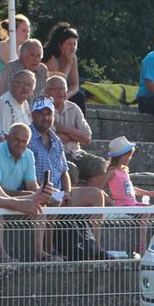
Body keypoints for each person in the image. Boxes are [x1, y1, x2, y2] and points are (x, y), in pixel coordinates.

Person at [28, 97, 106, 255]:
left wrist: (67, 192)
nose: (46, 117)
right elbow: (28, 176)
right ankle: (49, 250)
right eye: (41, 113)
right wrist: (51, 192)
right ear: (33, 115)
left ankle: (96, 248)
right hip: (39, 191)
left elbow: (64, 172)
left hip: (60, 192)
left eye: (49, 114)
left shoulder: (56, 140)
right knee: (53, 199)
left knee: (96, 195)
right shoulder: (27, 138)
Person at [0, 123, 55, 262]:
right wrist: (23, 200)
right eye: (17, 140)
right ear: (7, 138)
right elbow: (1, 192)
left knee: (41, 208)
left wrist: (43, 193)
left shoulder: (28, 155)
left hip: (7, 199)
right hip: (3, 201)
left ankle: (39, 253)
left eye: (24, 141)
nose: (20, 144)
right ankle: (2, 256)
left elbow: (32, 185)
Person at [102, 136, 154, 254]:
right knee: (145, 213)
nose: (129, 158)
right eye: (128, 156)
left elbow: (132, 189)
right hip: (123, 206)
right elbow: (99, 188)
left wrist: (149, 193)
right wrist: (109, 200)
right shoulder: (111, 172)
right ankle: (142, 245)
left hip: (133, 204)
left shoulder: (124, 171)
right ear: (121, 156)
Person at [44, 75, 106, 187]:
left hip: (76, 153)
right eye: (56, 89)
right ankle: (73, 197)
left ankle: (88, 195)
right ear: (47, 91)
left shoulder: (73, 108)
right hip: (55, 156)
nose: (61, 93)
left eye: (63, 89)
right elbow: (52, 141)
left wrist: (64, 129)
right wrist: (75, 134)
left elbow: (87, 138)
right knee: (71, 170)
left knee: (100, 165)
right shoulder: (43, 110)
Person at [41, 22, 85, 112]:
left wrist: (67, 95)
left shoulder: (73, 57)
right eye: (69, 44)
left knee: (79, 96)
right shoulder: (51, 57)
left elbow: (75, 85)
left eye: (74, 44)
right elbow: (57, 82)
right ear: (60, 45)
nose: (72, 48)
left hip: (62, 93)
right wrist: (68, 64)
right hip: (48, 92)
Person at [0, 69, 34, 141]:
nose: (25, 87)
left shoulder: (25, 103)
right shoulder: (6, 103)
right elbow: (5, 136)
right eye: (21, 83)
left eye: (29, 85)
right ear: (12, 85)